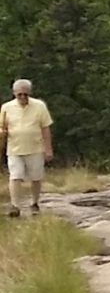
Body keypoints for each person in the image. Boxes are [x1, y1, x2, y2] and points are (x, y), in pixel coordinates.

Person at [3, 80, 54, 218]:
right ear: (14, 93)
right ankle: (15, 206)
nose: (23, 97)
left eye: (25, 94)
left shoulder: (39, 106)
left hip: (35, 147)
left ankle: (35, 203)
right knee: (15, 176)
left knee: (36, 177)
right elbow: (2, 127)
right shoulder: (6, 108)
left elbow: (45, 128)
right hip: (14, 148)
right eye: (19, 94)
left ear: (30, 93)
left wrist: (48, 149)